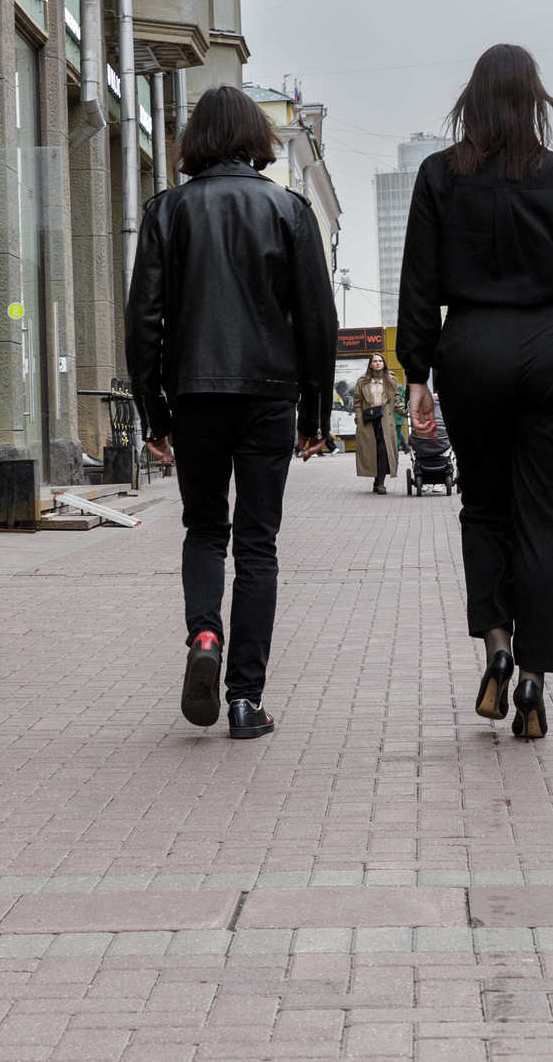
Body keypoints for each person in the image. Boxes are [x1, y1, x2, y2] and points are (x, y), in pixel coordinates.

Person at [397, 44, 553, 742]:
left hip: (471, 349)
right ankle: (533, 673)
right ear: (535, 100)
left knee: (486, 506)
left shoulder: (439, 177)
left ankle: (497, 646)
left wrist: (416, 374)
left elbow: (418, 281)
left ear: (471, 100)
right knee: (549, 518)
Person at [127, 85, 336, 740]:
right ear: (255, 138)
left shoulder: (166, 212)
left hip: (194, 395)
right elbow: (317, 322)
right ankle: (246, 701)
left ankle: (205, 634)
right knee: (257, 544)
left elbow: (144, 323)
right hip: (270, 394)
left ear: (195, 141)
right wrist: (317, 419)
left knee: (204, 529)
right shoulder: (288, 210)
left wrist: (153, 413)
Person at [351, 355, 398, 494]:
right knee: (372, 450)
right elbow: (357, 401)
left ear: (384, 363)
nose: (378, 363)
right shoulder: (362, 382)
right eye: (375, 361)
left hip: (385, 420)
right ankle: (376, 480)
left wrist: (407, 411)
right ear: (370, 365)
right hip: (369, 419)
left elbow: (396, 400)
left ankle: (381, 483)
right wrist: (359, 418)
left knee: (384, 449)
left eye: (380, 361)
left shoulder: (391, 381)